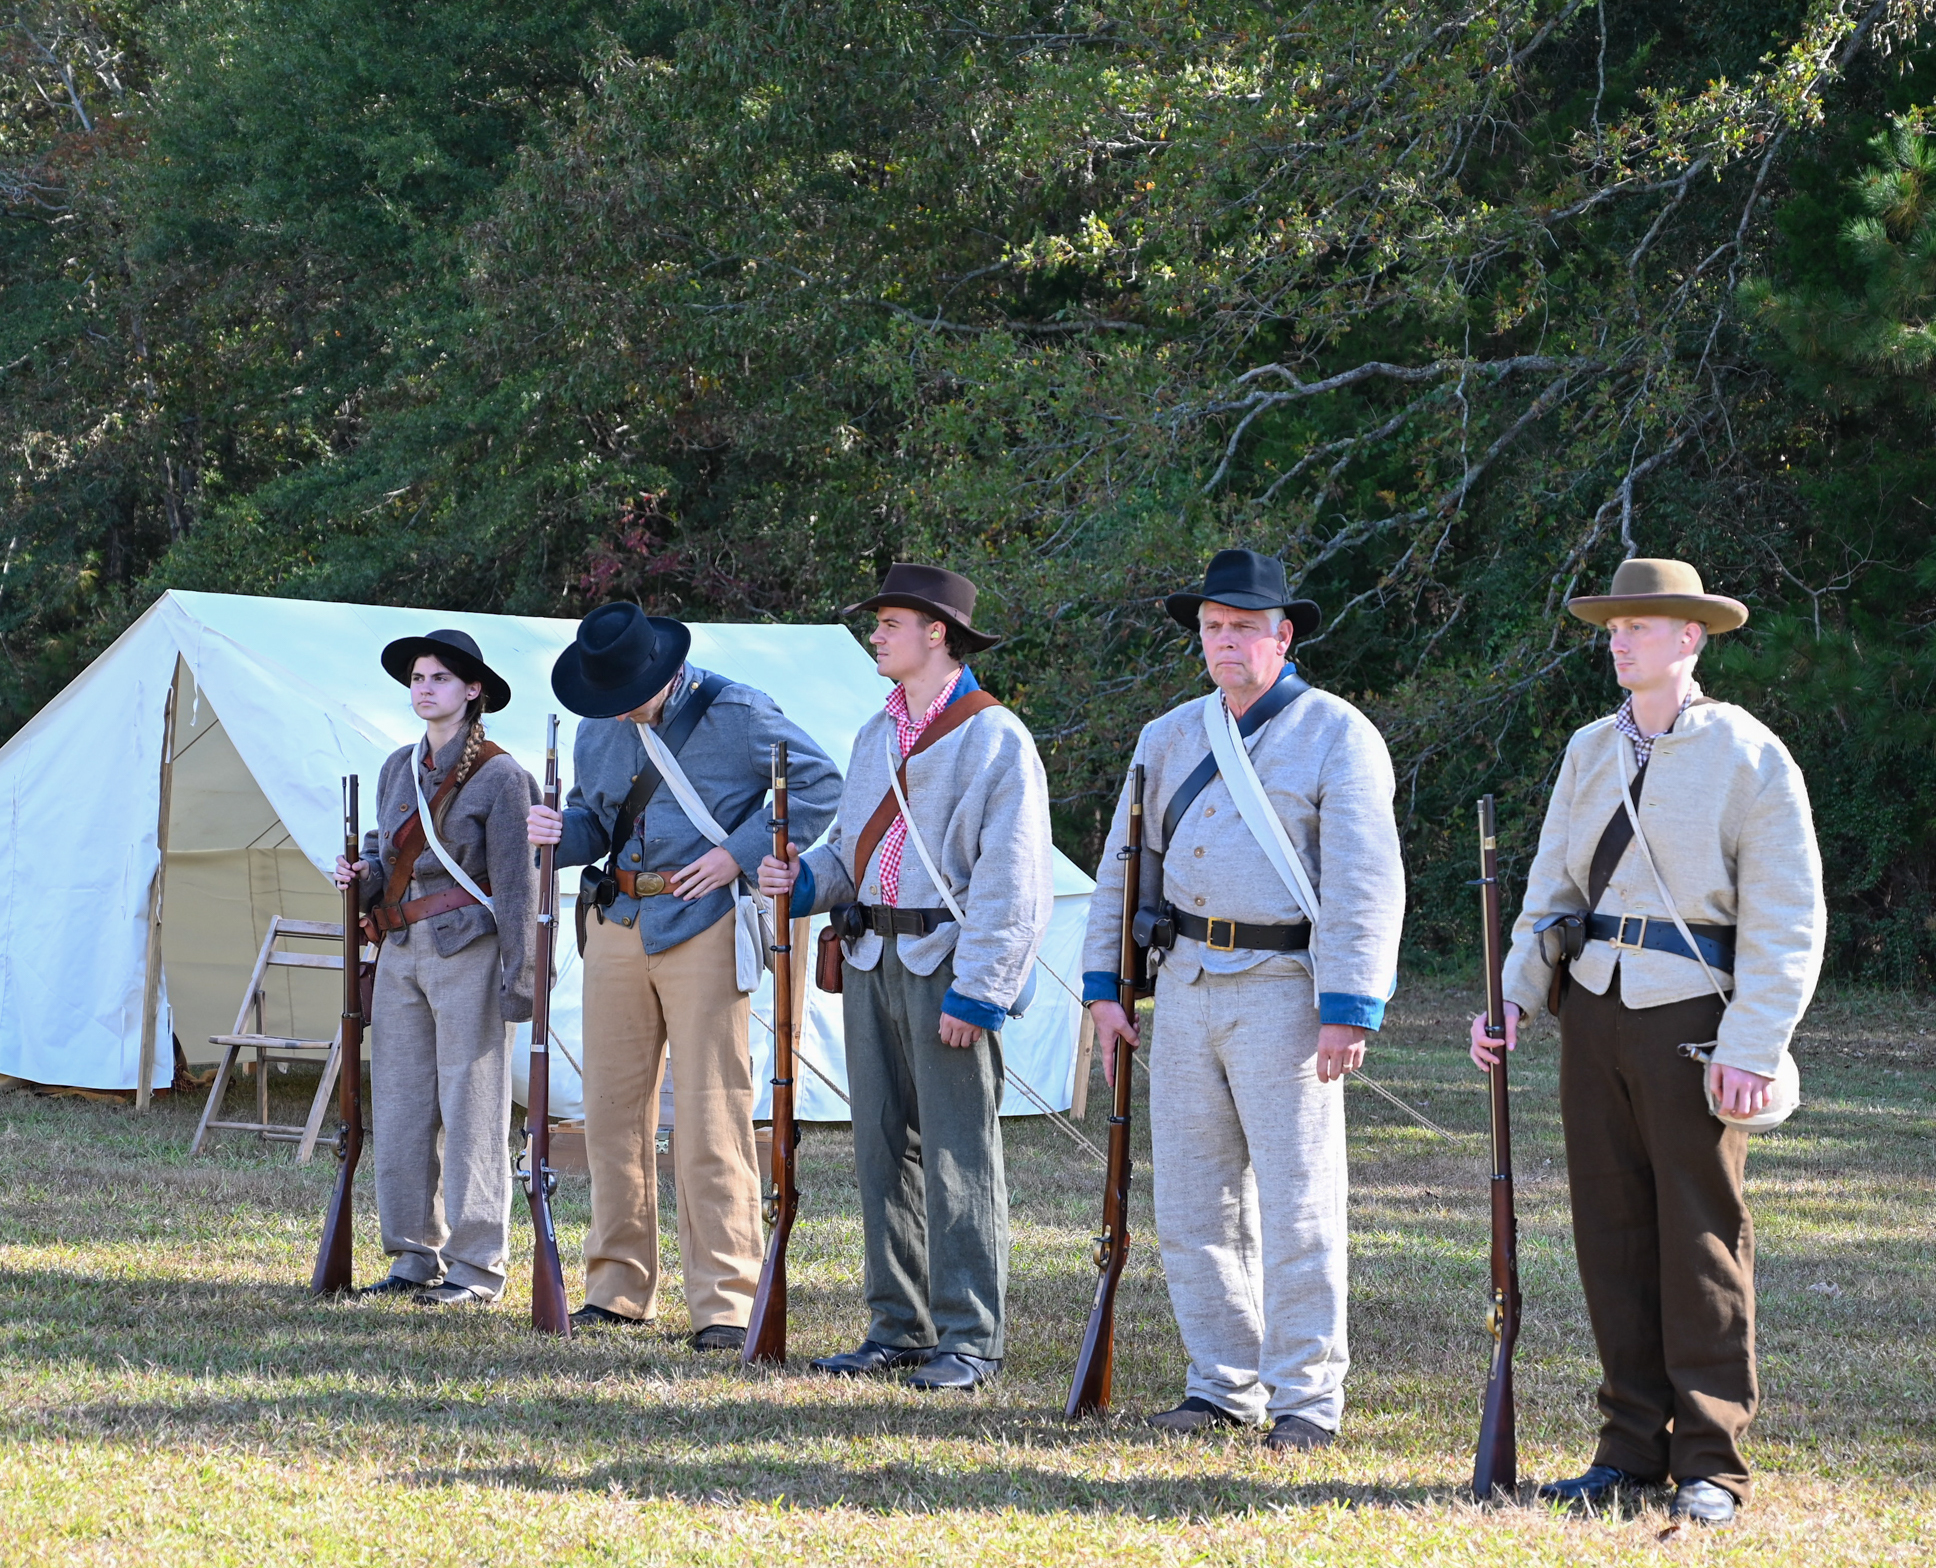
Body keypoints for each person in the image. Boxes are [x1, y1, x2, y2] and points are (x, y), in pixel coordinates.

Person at [1472, 557, 1824, 1526]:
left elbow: (1787, 917)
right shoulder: (1589, 749)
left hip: (1691, 1015)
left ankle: (1710, 1460)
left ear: (1689, 638)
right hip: (1593, 1006)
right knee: (1610, 1233)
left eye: (1639, 626)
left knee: (1700, 1236)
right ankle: (1627, 1449)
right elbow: (1550, 891)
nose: (1619, 641)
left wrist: (1752, 1043)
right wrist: (1514, 998)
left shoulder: (1749, 754)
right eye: (1613, 628)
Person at [1082, 548, 1404, 1450]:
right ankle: (1221, 1384)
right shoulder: (1167, 736)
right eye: (1212, 628)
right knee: (1193, 1201)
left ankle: (1306, 1397)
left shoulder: (1338, 734)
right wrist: (1106, 989)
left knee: (1299, 1204)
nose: (1225, 642)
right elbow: (1124, 867)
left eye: (1243, 628)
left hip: (1286, 992)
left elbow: (1365, 881)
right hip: (1185, 985)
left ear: (1283, 636)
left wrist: (1348, 1005)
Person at [759, 563, 1052, 1391]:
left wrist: (981, 990)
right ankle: (899, 1326)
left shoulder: (995, 737)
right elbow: (852, 851)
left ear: (937, 633)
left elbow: (1014, 880)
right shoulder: (874, 734)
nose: (875, 635)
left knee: (960, 1154)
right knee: (882, 1149)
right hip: (869, 959)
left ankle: (970, 1335)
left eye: (889, 623)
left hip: (947, 964)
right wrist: (802, 880)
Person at [526, 601, 841, 1351]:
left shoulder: (738, 712)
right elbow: (594, 821)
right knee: (610, 1113)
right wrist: (555, 833)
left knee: (710, 1113)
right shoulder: (598, 726)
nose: (615, 708)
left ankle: (726, 1300)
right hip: (617, 921)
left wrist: (737, 854)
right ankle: (616, 1288)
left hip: (704, 922)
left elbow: (820, 783)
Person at [331, 630, 540, 1306]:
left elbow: (519, 886)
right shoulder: (397, 766)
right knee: (399, 1103)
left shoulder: (503, 776)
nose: (424, 688)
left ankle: (476, 1267)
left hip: (468, 951)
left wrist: (522, 981)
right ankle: (412, 1254)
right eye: (418, 678)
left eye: (440, 678)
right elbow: (382, 855)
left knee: (472, 1107)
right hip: (399, 949)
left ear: (473, 691)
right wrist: (360, 875)